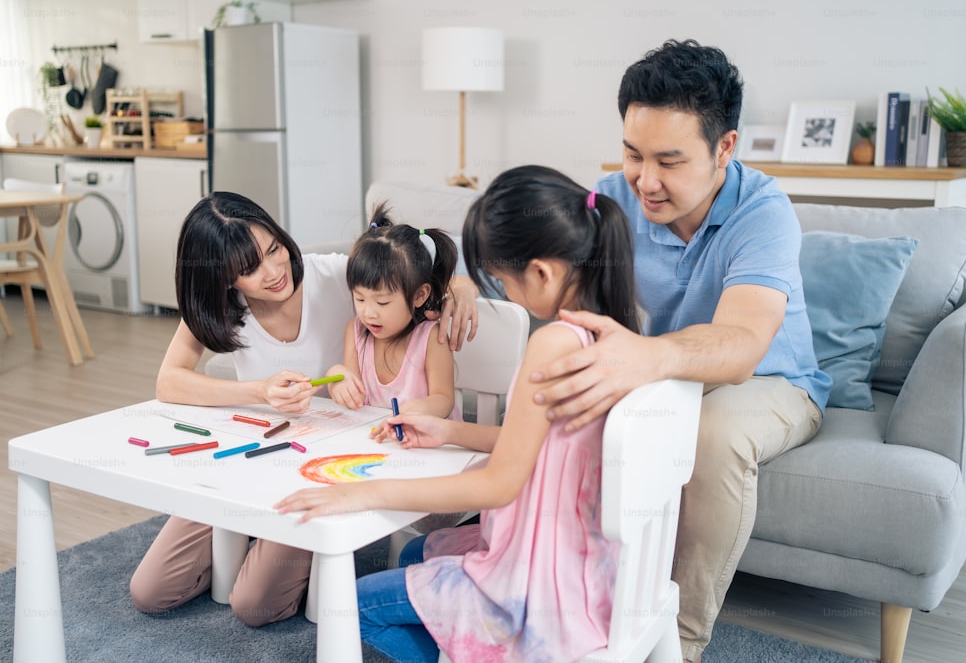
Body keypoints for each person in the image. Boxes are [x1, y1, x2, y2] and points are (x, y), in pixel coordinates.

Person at [527, 40, 832, 662]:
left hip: (770, 383)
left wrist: (645, 357)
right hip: (670, 370)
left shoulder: (763, 212)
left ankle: (680, 644)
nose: (646, 180)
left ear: (725, 147)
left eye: (669, 160)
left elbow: (744, 344)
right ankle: (559, 598)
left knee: (712, 433)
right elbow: (534, 259)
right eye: (633, 154)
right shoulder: (611, 197)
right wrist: (453, 277)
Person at [276, 165, 641, 662]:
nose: (504, 292)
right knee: (412, 553)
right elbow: (538, 446)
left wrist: (366, 492)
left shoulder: (554, 342)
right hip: (592, 564)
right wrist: (448, 429)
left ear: (542, 273)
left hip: (537, 586)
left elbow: (499, 485)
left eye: (502, 280)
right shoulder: (619, 334)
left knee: (349, 605)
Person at [130, 191, 479, 627]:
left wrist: (461, 287)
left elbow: (411, 270)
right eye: (249, 269)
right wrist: (259, 391)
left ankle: (271, 536)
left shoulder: (334, 276)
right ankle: (252, 527)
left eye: (274, 248)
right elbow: (169, 382)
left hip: (322, 466)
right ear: (222, 278)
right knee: (151, 591)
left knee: (254, 604)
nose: (274, 272)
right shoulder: (221, 305)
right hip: (254, 457)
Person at [323, 203, 463, 422]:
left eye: (382, 302)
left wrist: (419, 409)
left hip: (433, 445)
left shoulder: (432, 338)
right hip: (382, 445)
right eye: (359, 298)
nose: (368, 313)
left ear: (419, 295)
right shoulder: (356, 331)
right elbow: (354, 391)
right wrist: (337, 377)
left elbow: (444, 399)